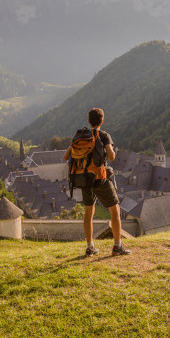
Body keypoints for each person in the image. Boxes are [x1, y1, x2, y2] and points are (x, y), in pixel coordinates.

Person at [64, 107, 131, 256]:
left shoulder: (80, 137)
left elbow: (65, 156)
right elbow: (111, 157)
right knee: (115, 210)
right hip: (100, 179)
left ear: (89, 121)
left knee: (89, 212)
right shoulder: (104, 136)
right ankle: (117, 246)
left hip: (84, 179)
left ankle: (90, 247)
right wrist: (112, 150)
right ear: (102, 121)